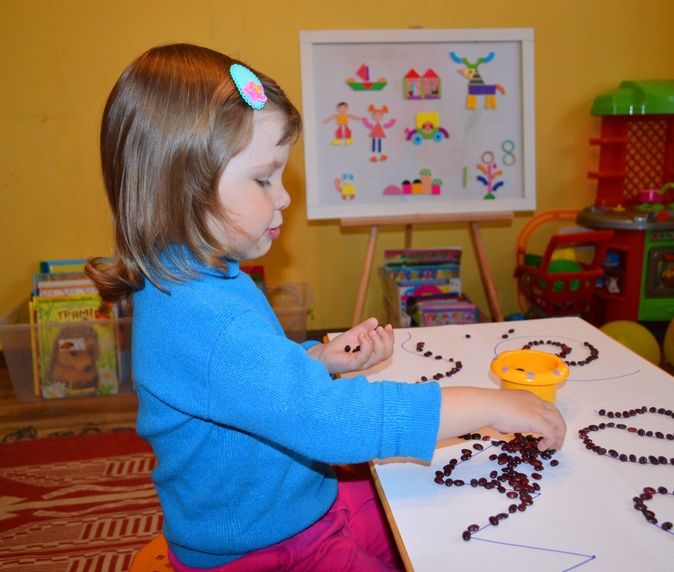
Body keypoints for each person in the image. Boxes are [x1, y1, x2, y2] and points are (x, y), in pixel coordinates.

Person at [86, 43, 566, 571]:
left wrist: (315, 359)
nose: (284, 197)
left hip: (293, 504)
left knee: (421, 513)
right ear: (181, 190)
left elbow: (245, 380)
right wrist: (489, 405)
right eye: (263, 179)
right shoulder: (203, 318)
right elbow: (329, 421)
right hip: (260, 550)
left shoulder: (198, 275)